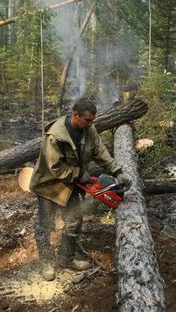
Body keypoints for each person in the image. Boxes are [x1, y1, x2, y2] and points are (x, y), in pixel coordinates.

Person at [29, 98, 130, 281]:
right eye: (88, 120)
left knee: (74, 222)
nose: (91, 124)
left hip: (71, 185)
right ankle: (46, 263)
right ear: (75, 115)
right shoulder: (55, 135)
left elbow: (100, 151)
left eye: (92, 120)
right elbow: (54, 167)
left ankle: (66, 260)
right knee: (46, 226)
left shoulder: (88, 130)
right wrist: (78, 174)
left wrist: (117, 171)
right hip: (48, 185)